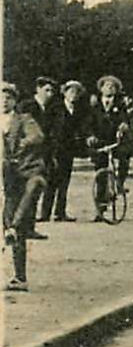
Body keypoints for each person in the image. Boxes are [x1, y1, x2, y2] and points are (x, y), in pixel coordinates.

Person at [4, 81, 50, 288]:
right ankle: (11, 228)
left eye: (8, 97)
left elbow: (37, 136)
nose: (4, 101)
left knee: (17, 223)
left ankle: (19, 277)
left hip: (21, 174)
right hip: (5, 176)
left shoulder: (23, 119)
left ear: (14, 101)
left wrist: (23, 143)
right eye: (1, 97)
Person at [87, 76, 133, 223]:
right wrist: (90, 136)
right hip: (100, 143)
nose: (109, 88)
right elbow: (88, 122)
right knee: (101, 176)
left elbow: (125, 119)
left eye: (113, 86)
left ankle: (119, 183)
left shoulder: (121, 105)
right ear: (101, 89)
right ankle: (100, 210)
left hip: (116, 141)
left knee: (124, 160)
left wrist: (123, 126)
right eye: (107, 86)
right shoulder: (94, 106)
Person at [41, 79, 89, 222]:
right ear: (65, 93)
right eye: (71, 91)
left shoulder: (79, 110)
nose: (74, 95)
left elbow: (81, 128)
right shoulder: (55, 108)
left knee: (64, 182)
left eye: (77, 92)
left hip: (68, 150)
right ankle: (45, 213)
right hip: (55, 149)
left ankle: (60, 213)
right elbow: (47, 128)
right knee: (51, 182)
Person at [18, 77, 58, 226]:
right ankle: (23, 224)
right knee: (28, 188)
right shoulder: (26, 106)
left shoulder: (51, 109)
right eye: (47, 90)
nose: (50, 94)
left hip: (44, 153)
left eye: (52, 91)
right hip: (29, 154)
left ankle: (30, 225)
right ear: (38, 89)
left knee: (38, 187)